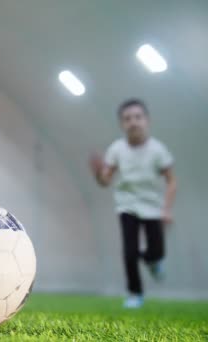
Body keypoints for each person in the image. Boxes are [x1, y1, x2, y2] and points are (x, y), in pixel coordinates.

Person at [89, 99, 177, 309]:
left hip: (152, 206)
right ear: (122, 124)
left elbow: (171, 180)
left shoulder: (158, 150)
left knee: (156, 251)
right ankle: (135, 293)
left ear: (147, 121)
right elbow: (105, 181)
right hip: (127, 205)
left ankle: (153, 261)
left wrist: (166, 209)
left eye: (138, 117)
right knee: (129, 251)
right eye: (127, 119)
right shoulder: (117, 149)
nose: (133, 122)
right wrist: (97, 174)